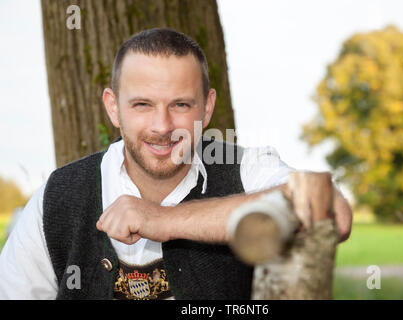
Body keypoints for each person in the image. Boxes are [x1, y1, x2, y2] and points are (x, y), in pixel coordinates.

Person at [0, 28, 352, 300]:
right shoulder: (58, 197)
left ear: (207, 107)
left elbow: (328, 209)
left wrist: (165, 221)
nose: (162, 126)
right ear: (113, 107)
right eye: (142, 105)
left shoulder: (246, 169)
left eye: (181, 105)